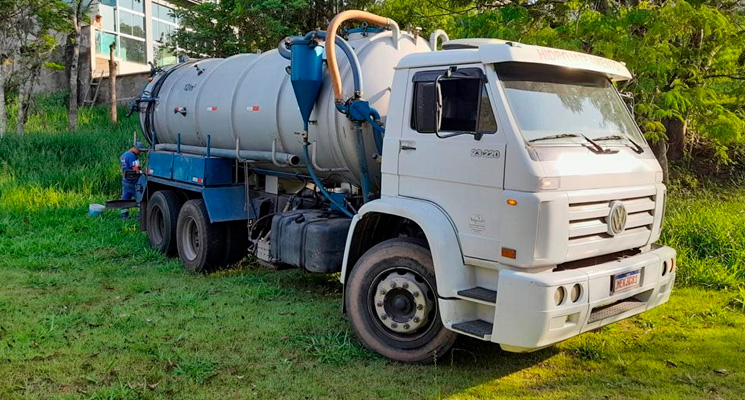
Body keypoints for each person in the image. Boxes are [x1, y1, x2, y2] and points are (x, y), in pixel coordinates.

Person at [120, 142, 145, 219]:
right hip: (133, 181)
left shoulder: (123, 155)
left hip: (125, 180)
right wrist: (143, 172)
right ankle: (140, 216)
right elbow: (136, 169)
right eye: (140, 151)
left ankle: (124, 216)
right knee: (140, 198)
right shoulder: (132, 156)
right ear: (136, 149)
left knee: (125, 198)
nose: (140, 153)